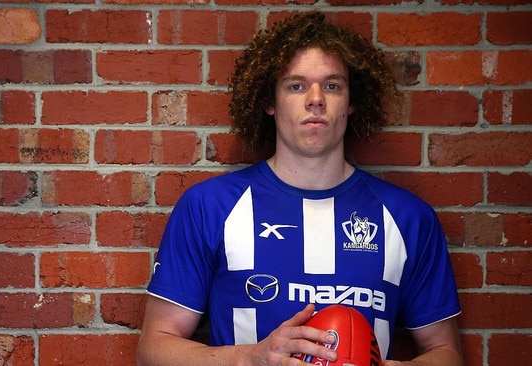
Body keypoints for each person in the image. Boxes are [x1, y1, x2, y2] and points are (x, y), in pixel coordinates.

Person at [137, 11, 463, 366]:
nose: (316, 98)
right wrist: (252, 358)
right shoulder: (210, 207)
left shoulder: (408, 218)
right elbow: (154, 351)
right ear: (270, 102)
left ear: (351, 102)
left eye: (333, 85)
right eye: (296, 85)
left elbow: (446, 354)